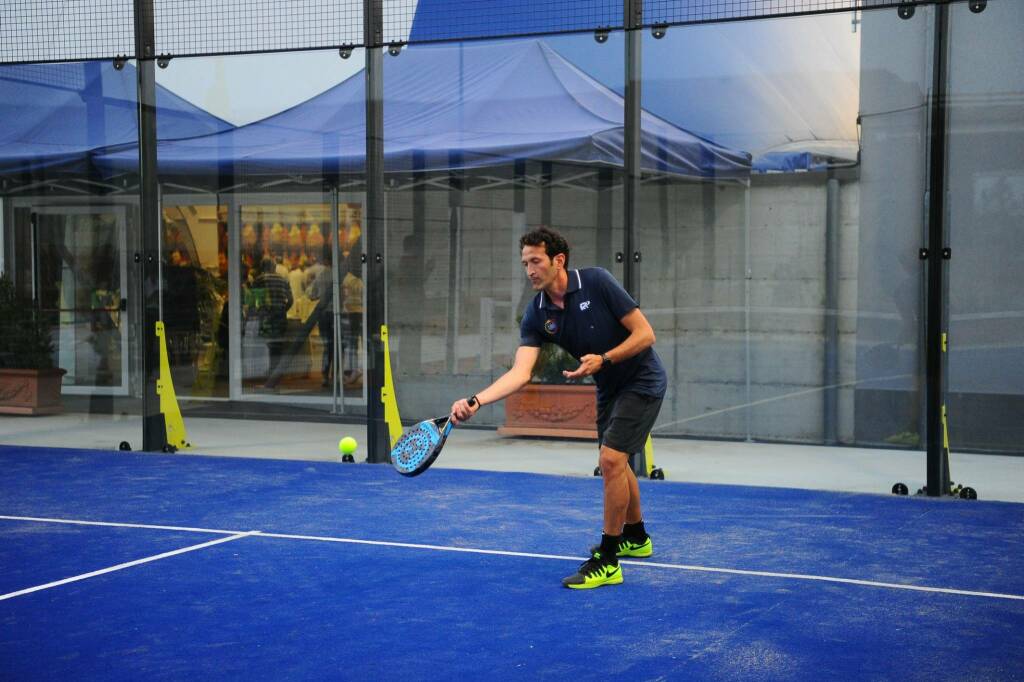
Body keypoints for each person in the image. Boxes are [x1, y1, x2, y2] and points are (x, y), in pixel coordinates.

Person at [450, 227, 667, 589]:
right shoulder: (537, 314)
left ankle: (609, 559)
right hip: (608, 387)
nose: (530, 270)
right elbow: (521, 373)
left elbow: (645, 334)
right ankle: (637, 537)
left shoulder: (597, 282)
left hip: (642, 379)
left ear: (558, 261)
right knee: (616, 461)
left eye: (536, 261)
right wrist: (476, 401)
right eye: (525, 263)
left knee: (611, 460)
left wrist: (605, 359)